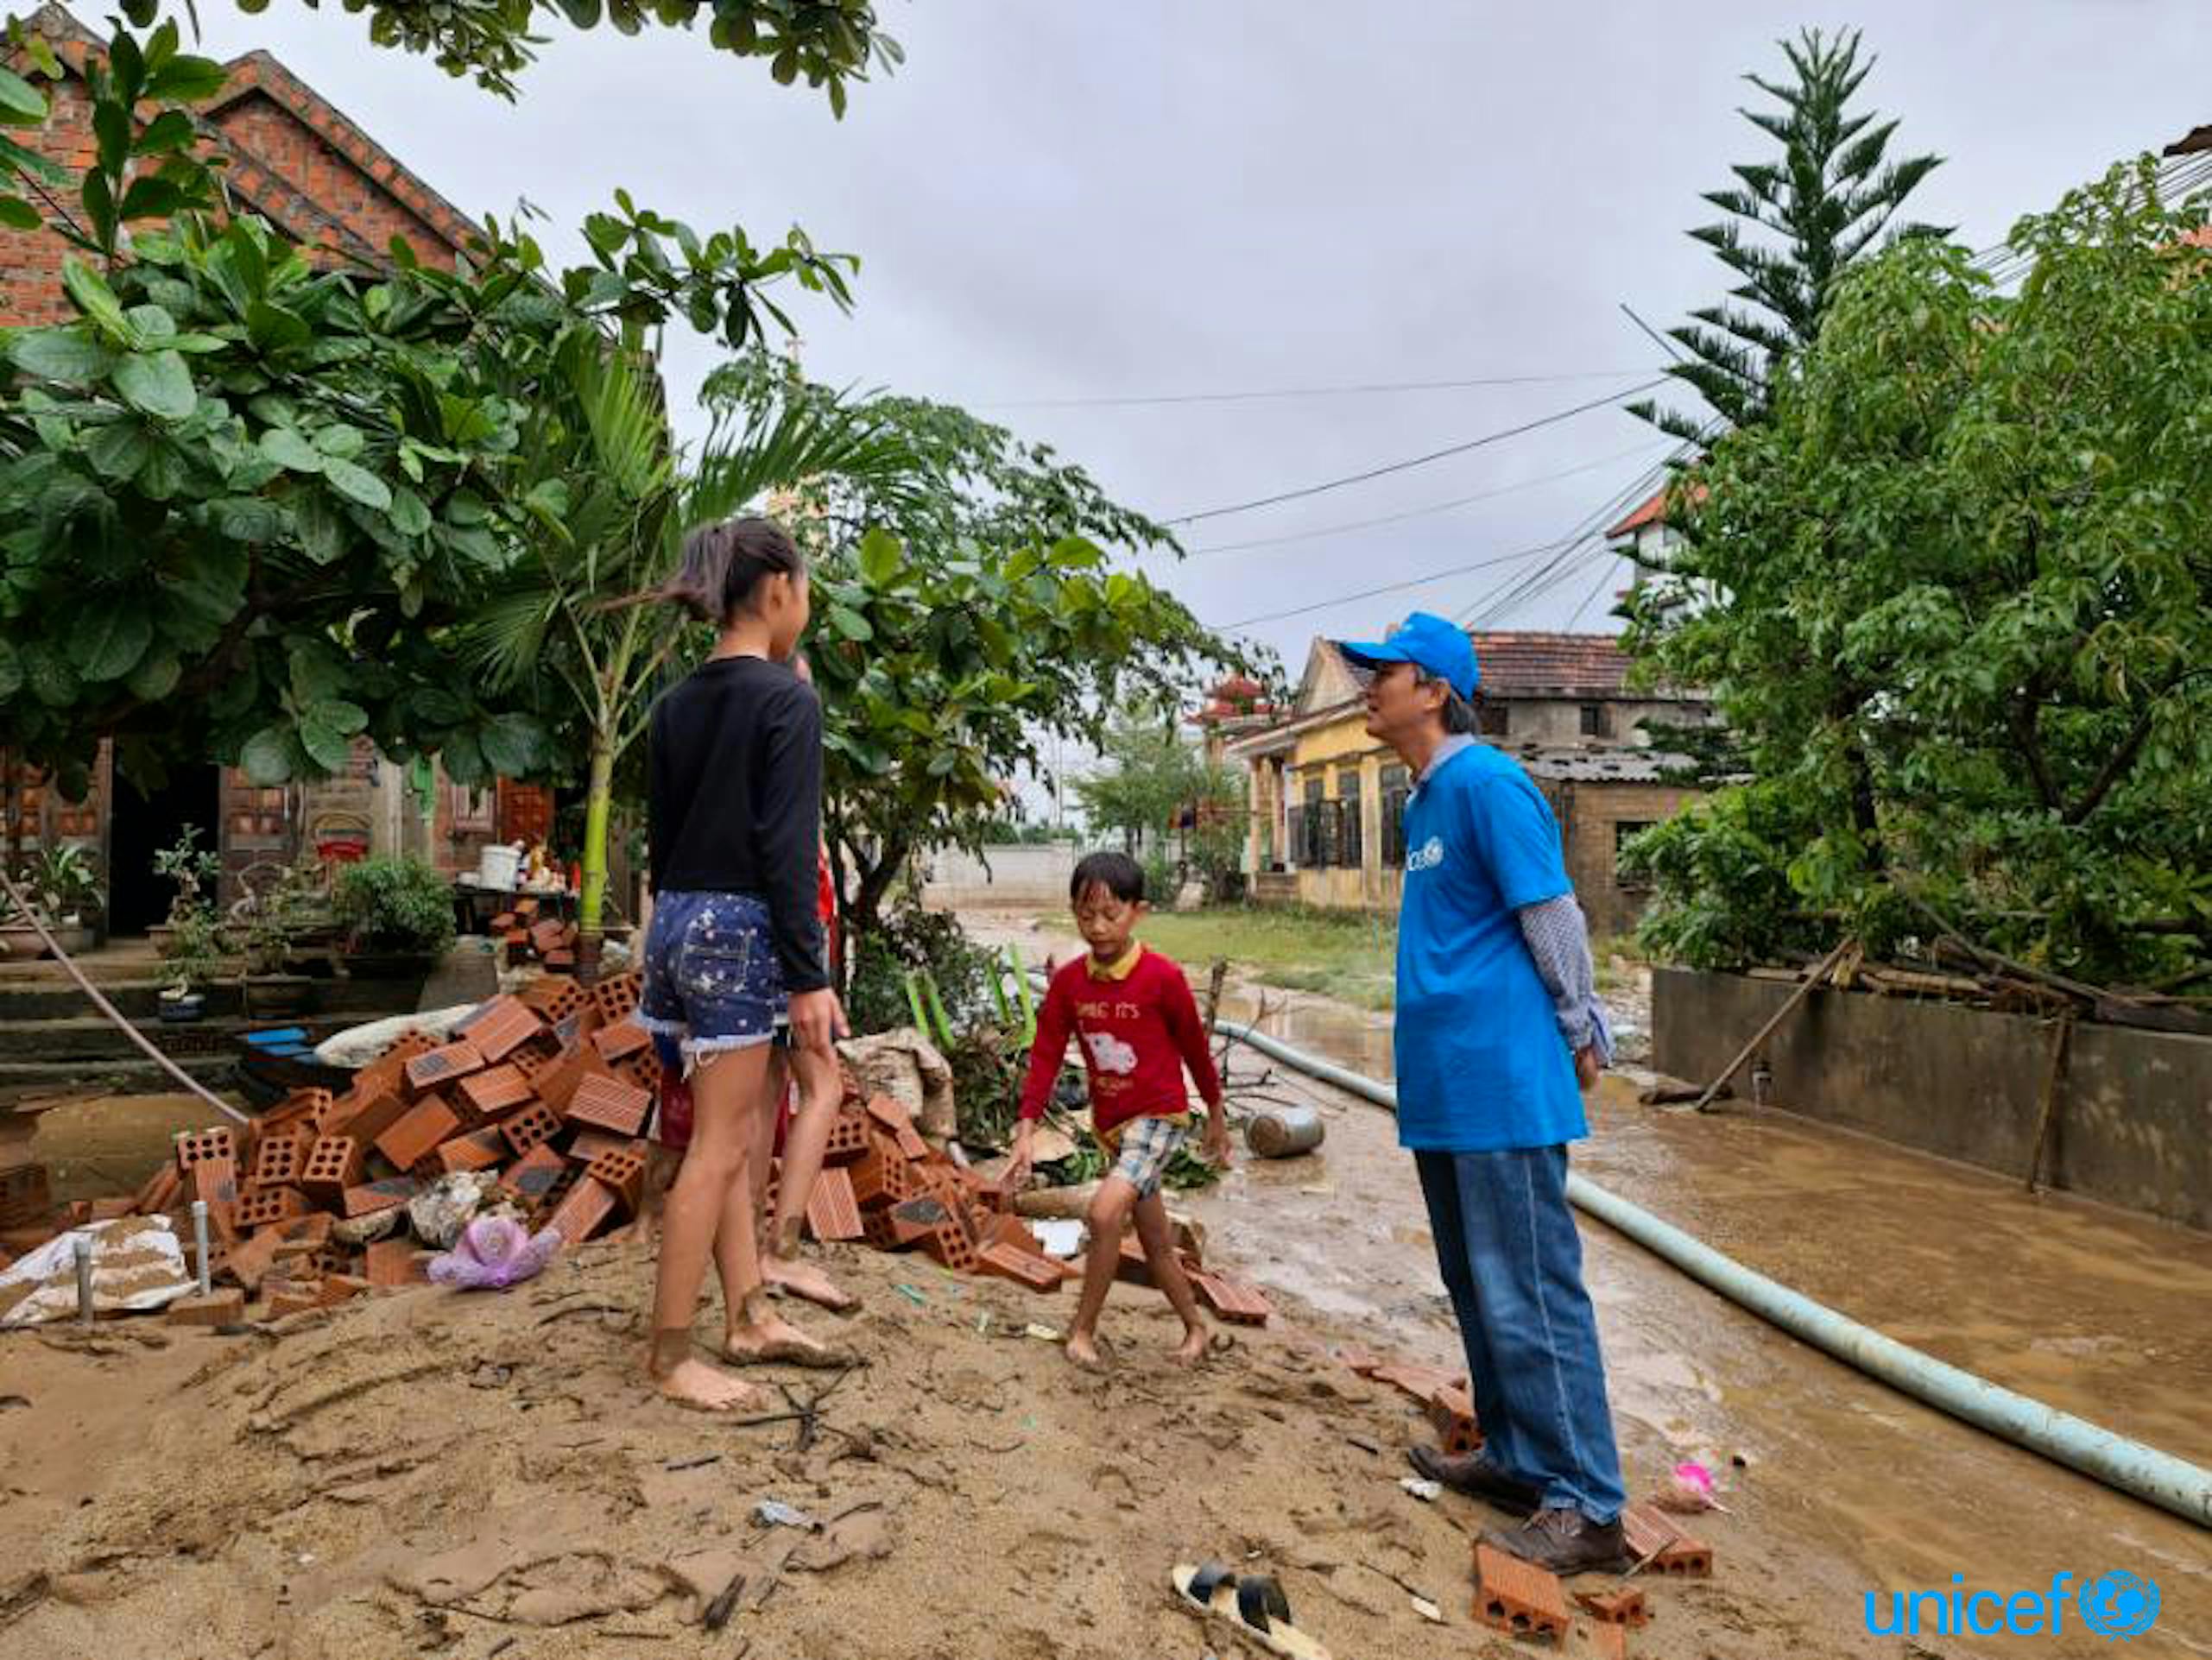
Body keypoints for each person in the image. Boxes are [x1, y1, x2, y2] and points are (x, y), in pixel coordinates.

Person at [1331, 612, 1630, 1575]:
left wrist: (1581, 1022)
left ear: (1436, 689)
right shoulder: (1422, 800)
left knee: (1532, 1292)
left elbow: (1550, 911)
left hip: (1502, 1079)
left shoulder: (1489, 783)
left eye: (1387, 672)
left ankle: (1589, 1506)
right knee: (1476, 1284)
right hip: (1448, 1085)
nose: (1368, 685)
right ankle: (1519, 1459)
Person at [631, 515, 848, 1412]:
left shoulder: (674, 705)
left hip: (677, 920)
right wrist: (809, 975)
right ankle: (671, 1354)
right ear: (776, 593)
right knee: (719, 1148)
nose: (804, 606)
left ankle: (749, 1312)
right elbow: (789, 846)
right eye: (803, 590)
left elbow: (664, 839)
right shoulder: (787, 702)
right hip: (740, 930)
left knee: (726, 1137)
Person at [1006, 851, 1231, 1368]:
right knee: (1154, 1241)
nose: (1099, 927)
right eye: (1087, 916)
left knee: (1105, 1213)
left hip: (1160, 1116)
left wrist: (1216, 1116)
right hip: (1111, 1126)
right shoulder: (1069, 984)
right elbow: (1043, 1059)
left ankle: (1081, 1331)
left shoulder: (1162, 977)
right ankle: (1196, 1329)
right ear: (1073, 912)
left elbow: (1196, 1050)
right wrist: (1024, 1133)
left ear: (1139, 912)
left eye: (1112, 915)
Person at [743, 653, 858, 1315]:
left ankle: (754, 1242)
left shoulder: (744, 754)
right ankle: (781, 1251)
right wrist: (807, 970)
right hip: (793, 935)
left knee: (766, 1094)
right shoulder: (786, 742)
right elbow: (791, 863)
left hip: (761, 933)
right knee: (823, 1086)